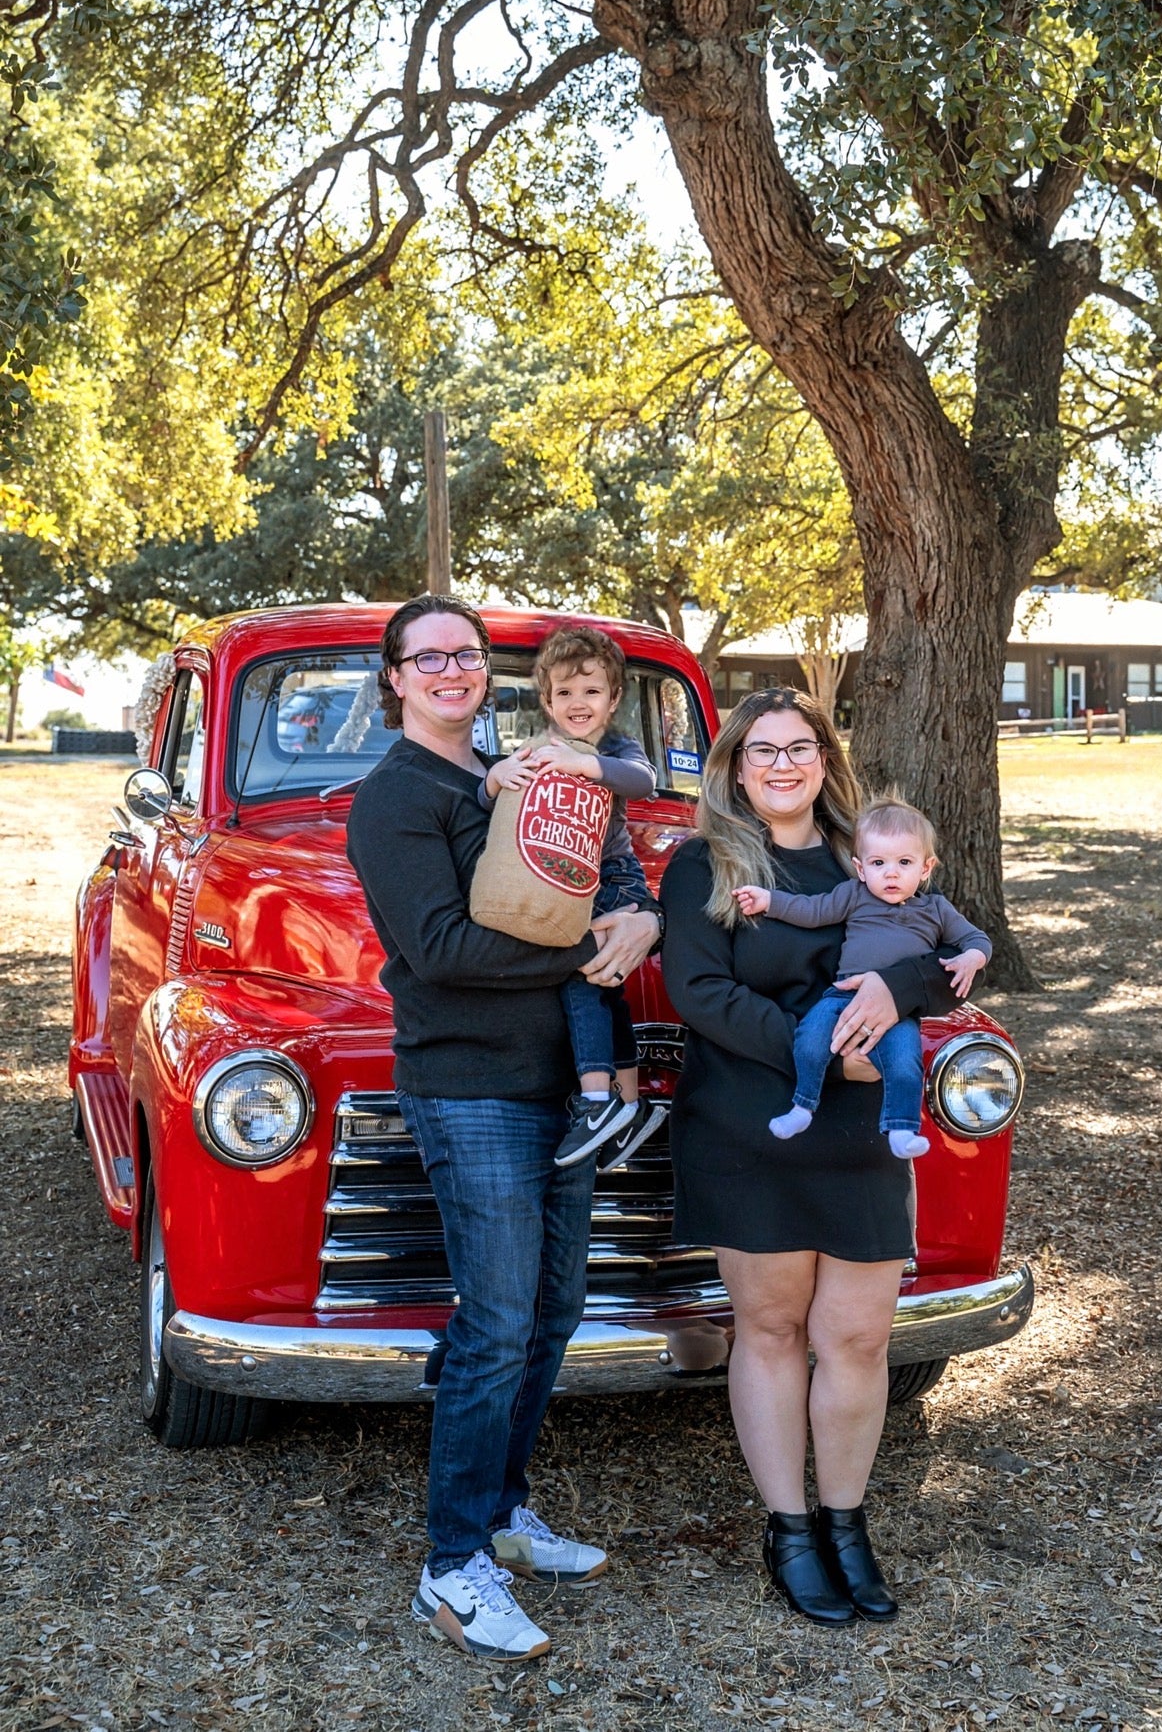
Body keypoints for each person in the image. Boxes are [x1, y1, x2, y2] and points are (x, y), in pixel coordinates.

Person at [346, 593, 660, 1663]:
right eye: (427, 656)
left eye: (468, 655)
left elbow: (579, 871)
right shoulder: (395, 797)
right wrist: (588, 952)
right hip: (469, 1080)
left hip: (558, 1080)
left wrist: (637, 915)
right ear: (394, 676)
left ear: (489, 673)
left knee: (553, 1307)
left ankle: (502, 1509)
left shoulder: (521, 770)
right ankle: (450, 1563)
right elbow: (437, 947)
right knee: (491, 1322)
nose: (451, 670)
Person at [659, 690, 970, 1628]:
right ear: (735, 767)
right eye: (765, 752)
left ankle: (846, 1521)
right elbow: (699, 991)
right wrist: (825, 1047)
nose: (784, 764)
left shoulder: (866, 855)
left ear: (827, 760)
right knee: (772, 1330)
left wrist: (893, 987)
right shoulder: (705, 864)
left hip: (865, 1128)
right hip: (755, 1122)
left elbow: (940, 954)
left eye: (802, 748)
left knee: (860, 1336)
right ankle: (787, 1527)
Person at [480, 625, 665, 1171]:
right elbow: (493, 799)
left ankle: (597, 1100)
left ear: (612, 699)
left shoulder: (615, 749)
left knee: (584, 976)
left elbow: (643, 780)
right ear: (547, 701)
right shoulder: (538, 748)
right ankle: (630, 1106)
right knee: (608, 990)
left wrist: (588, 765)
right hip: (562, 872)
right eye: (564, 692)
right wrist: (496, 776)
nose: (577, 703)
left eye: (591, 691)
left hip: (611, 874)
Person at [733, 795, 991, 1153]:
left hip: (897, 1009)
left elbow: (975, 938)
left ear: (926, 868)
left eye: (904, 862)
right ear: (860, 868)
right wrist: (769, 901)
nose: (891, 873)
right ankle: (802, 1106)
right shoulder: (853, 896)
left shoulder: (936, 909)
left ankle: (901, 1129)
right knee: (810, 1039)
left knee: (904, 1063)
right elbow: (812, 910)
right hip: (842, 995)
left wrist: (972, 958)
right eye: (878, 862)